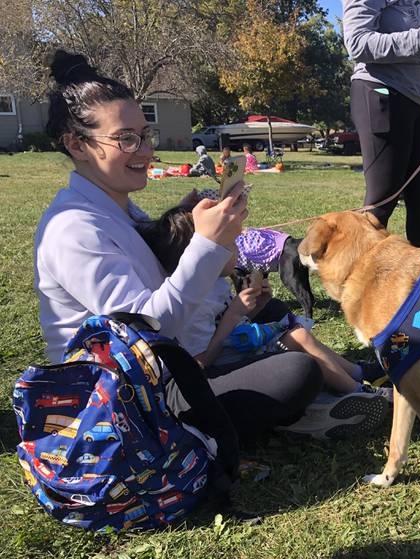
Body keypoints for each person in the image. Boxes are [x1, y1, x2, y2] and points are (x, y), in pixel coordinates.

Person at [35, 50, 325, 444]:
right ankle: (291, 416)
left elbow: (153, 261)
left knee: (269, 310)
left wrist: (185, 218)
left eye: (145, 135)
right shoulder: (73, 230)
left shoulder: (114, 205)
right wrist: (205, 243)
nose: (145, 150)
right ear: (77, 144)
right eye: (126, 139)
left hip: (174, 367)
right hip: (127, 403)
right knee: (296, 372)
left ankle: (290, 412)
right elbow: (147, 337)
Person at [137, 204, 392, 403]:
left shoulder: (214, 283)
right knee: (298, 338)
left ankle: (358, 372)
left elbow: (232, 321)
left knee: (295, 330)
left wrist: (255, 306)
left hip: (237, 343)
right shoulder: (194, 306)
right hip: (222, 365)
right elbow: (202, 361)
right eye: (228, 245)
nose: (236, 250)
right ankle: (358, 391)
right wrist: (234, 314)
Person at [343, 0, 420, 251]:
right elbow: (357, 43)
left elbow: (417, 53)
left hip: (415, 103)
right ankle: (357, 283)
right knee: (382, 202)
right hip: (380, 93)